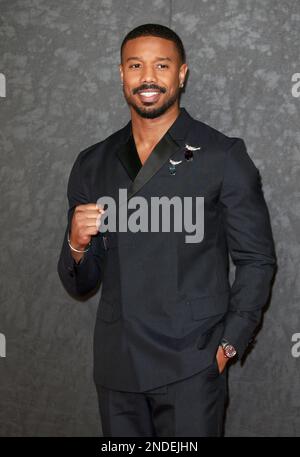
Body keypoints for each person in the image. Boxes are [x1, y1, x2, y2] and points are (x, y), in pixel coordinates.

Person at [57, 23, 277, 437]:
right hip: (117, 366)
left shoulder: (222, 156)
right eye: (136, 65)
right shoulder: (93, 162)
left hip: (192, 365)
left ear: (181, 74)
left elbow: (256, 259)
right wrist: (75, 243)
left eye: (162, 65)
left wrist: (229, 343)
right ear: (121, 73)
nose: (148, 77)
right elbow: (80, 282)